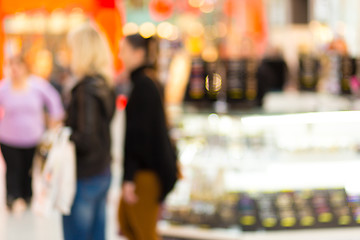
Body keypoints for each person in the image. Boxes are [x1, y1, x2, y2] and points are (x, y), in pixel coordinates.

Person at [118, 34, 178, 240]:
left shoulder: (143, 85)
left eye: (123, 50)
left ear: (138, 53)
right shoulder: (148, 82)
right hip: (147, 172)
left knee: (143, 231)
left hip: (145, 175)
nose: (120, 56)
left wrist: (129, 177)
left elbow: (139, 138)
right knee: (131, 225)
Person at [63, 23, 115, 240]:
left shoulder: (85, 89)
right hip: (102, 170)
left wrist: (63, 135)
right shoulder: (104, 84)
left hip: (84, 175)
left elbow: (86, 138)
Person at [0, 54, 64, 214]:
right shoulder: (4, 88)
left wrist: (55, 120)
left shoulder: (37, 85)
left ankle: (26, 196)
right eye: (11, 66)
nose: (14, 70)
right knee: (13, 168)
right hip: (9, 137)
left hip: (32, 137)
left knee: (27, 169)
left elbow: (54, 101)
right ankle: (13, 198)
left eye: (17, 66)